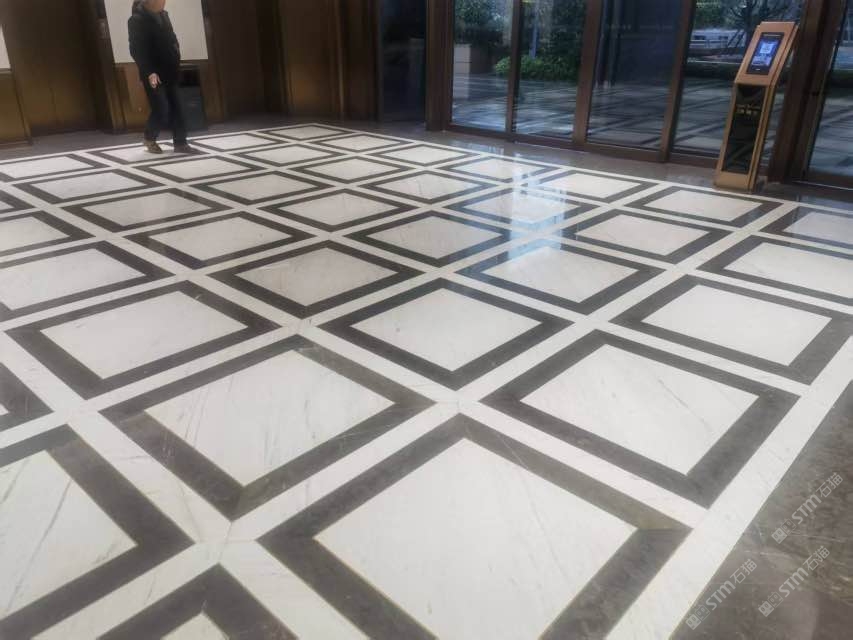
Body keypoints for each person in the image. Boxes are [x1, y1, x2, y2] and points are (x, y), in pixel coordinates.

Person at [128, 0, 197, 154]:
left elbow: (171, 38)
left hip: (170, 69)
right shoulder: (136, 20)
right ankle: (149, 137)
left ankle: (181, 143)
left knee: (177, 107)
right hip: (153, 74)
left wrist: (176, 51)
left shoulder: (164, 15)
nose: (164, 2)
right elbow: (136, 50)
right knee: (161, 108)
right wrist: (149, 72)